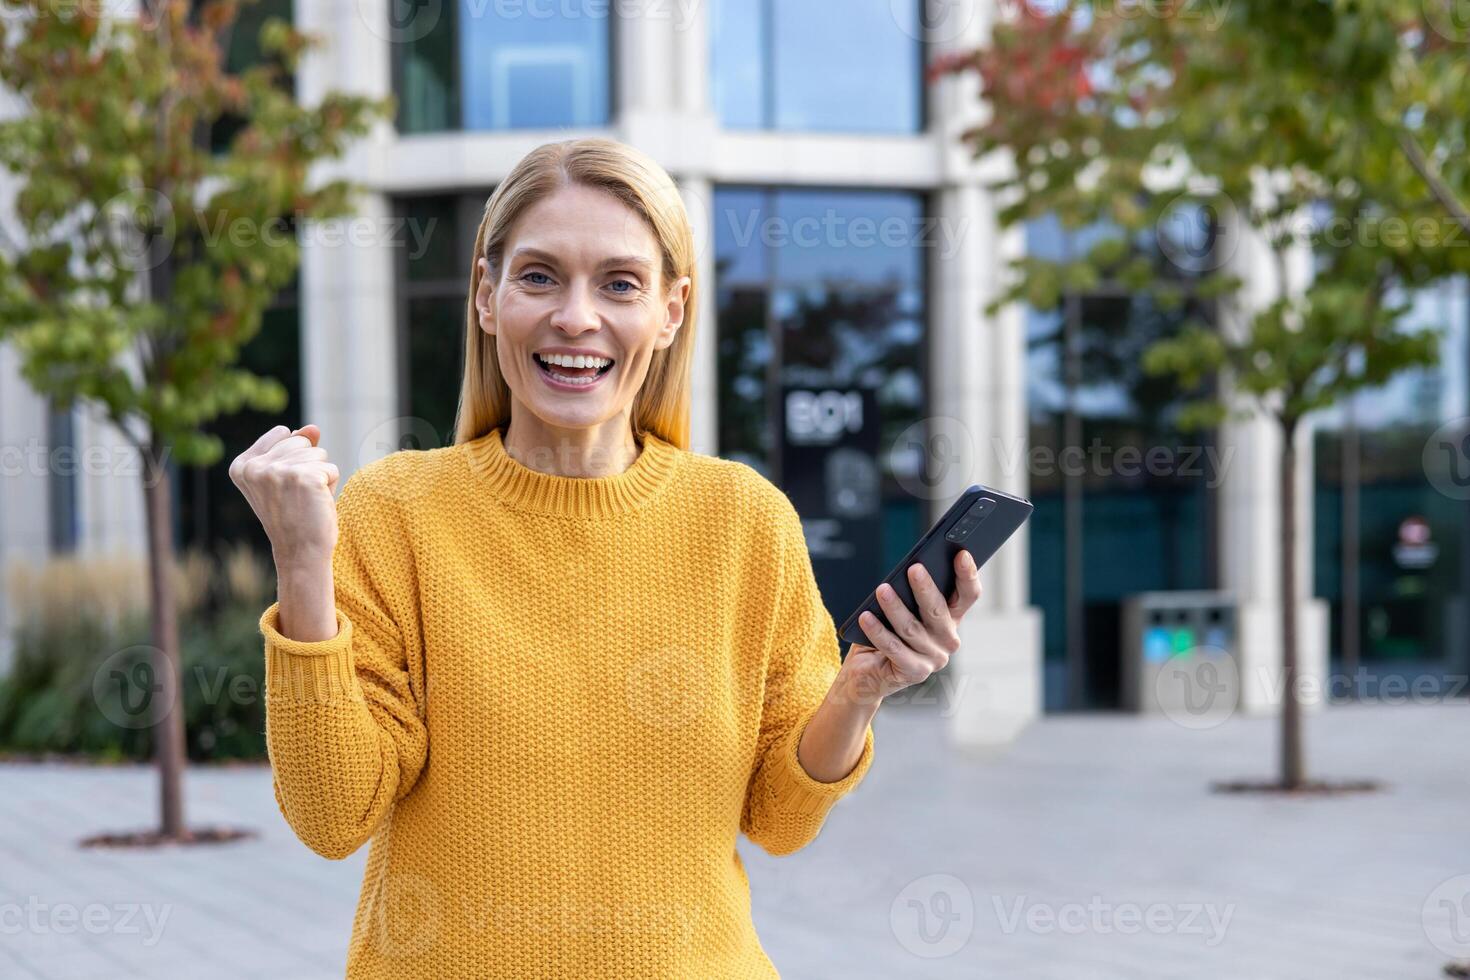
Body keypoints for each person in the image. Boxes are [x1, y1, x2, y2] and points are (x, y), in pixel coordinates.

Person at [230, 136, 982, 979]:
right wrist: (302, 565)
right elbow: (333, 817)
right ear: (487, 295)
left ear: (671, 310)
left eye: (619, 283)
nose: (576, 317)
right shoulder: (395, 511)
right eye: (540, 276)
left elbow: (780, 818)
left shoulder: (743, 521)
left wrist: (861, 685)